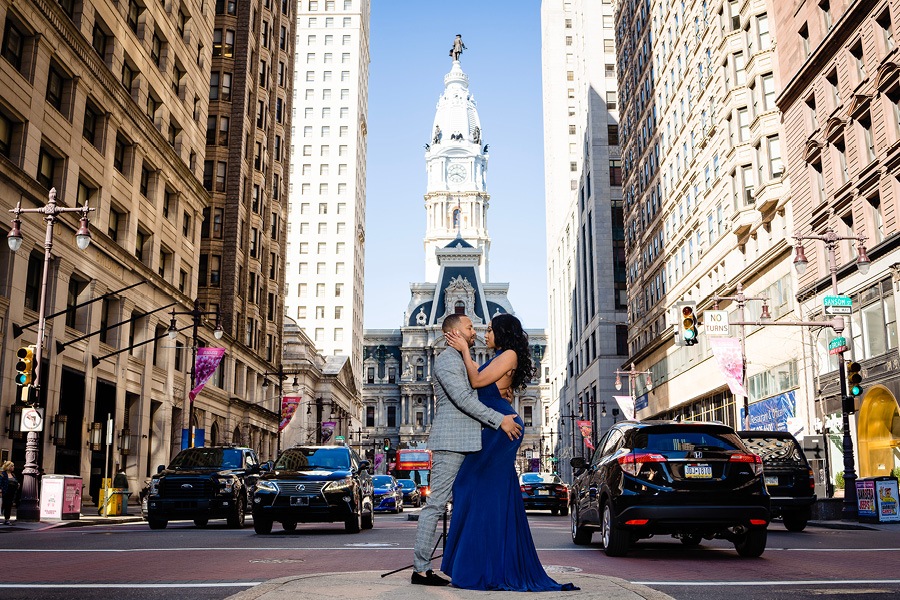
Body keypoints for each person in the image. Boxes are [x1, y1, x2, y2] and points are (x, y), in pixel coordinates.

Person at [442, 314, 578, 591]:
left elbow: (478, 381)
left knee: (476, 488)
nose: (485, 334)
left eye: (490, 330)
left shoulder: (509, 354)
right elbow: (488, 387)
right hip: (495, 425)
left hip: (502, 429)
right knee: (485, 492)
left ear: (503, 333)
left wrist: (465, 350)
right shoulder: (501, 356)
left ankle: (484, 567)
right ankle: (488, 564)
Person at [411, 314, 523, 587]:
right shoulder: (448, 360)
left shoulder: (463, 359)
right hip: (452, 442)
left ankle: (471, 564)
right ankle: (421, 568)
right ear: (455, 332)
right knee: (436, 504)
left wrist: (500, 395)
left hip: (475, 442)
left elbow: (481, 385)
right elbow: (462, 398)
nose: (476, 331)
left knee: (472, 503)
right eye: (470, 327)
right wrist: (499, 418)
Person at [0, 461, 18, 525]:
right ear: (8, 467)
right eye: (12, 466)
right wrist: (0, 491)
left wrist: (17, 485)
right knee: (3, 505)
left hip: (11, 493)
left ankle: (7, 519)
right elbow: (0, 483)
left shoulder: (13, 475)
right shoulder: (3, 474)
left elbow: (15, 482)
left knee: (8, 506)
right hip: (5, 492)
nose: (13, 467)